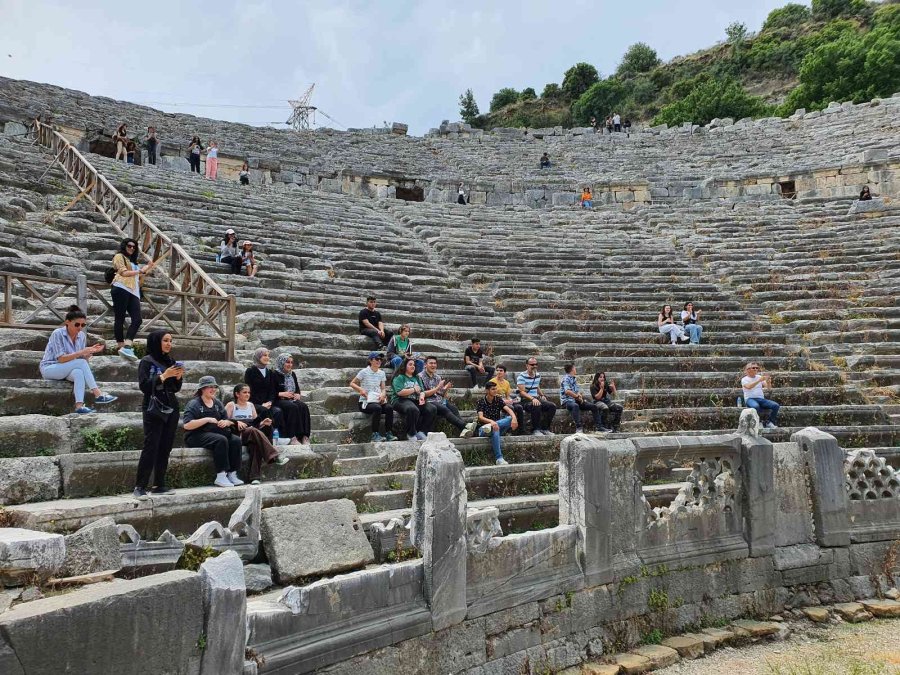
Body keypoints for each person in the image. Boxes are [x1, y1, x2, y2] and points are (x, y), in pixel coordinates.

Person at [40, 305, 118, 414]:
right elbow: (61, 359)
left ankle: (79, 406)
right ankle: (98, 394)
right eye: (77, 324)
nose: (80, 327)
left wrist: (88, 353)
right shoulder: (57, 333)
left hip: (68, 368)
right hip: (50, 368)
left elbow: (81, 361)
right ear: (67, 322)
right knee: (79, 364)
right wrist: (82, 352)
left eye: (83, 325)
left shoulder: (81, 336)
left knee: (78, 373)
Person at [133, 330, 184, 499]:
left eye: (170, 340)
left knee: (166, 446)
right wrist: (163, 376)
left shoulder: (171, 361)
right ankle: (140, 486)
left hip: (171, 405)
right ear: (156, 342)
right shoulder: (146, 361)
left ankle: (159, 484)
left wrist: (177, 377)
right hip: (154, 407)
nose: (169, 343)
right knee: (151, 446)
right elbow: (145, 386)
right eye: (165, 340)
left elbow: (176, 389)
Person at [182, 376, 244, 487]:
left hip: (215, 432)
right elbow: (187, 425)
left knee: (235, 440)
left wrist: (226, 422)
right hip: (195, 435)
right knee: (221, 440)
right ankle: (221, 475)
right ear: (202, 389)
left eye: (214, 387)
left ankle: (232, 474)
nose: (213, 389)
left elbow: (227, 419)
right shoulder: (194, 404)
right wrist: (207, 419)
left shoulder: (217, 403)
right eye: (209, 387)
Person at [226, 384, 288, 484]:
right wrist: (236, 422)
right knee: (253, 432)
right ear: (237, 394)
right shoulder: (231, 405)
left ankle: (254, 478)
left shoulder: (251, 405)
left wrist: (263, 423)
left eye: (249, 392)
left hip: (251, 432)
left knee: (256, 444)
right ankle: (274, 456)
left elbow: (255, 424)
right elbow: (225, 421)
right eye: (244, 392)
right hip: (237, 434)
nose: (247, 394)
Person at [110, 238, 148, 361]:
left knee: (137, 320)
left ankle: (127, 346)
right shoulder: (119, 256)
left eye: (134, 247)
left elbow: (138, 280)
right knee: (120, 317)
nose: (131, 248)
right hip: (121, 287)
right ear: (124, 246)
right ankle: (121, 346)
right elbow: (123, 273)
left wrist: (144, 271)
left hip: (134, 291)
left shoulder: (134, 262)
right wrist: (139, 271)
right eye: (129, 246)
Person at [350, 352, 397, 442]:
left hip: (377, 400)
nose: (379, 361)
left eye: (380, 359)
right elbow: (352, 383)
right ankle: (374, 434)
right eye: (377, 359)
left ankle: (389, 433)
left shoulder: (382, 373)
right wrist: (360, 389)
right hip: (365, 402)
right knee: (377, 408)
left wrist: (383, 394)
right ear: (370, 360)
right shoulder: (364, 372)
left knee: (389, 408)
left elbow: (383, 388)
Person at [390, 357, 436, 441]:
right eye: (410, 364)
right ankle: (411, 433)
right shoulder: (399, 377)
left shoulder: (417, 377)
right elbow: (399, 392)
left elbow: (422, 391)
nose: (413, 366)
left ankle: (422, 432)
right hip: (399, 400)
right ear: (404, 366)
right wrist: (413, 389)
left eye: (414, 365)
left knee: (432, 408)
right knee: (413, 409)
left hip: (414, 399)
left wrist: (421, 397)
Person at [243, 348, 285, 436]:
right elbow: (249, 390)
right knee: (263, 410)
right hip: (254, 403)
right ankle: (264, 435)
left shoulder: (270, 372)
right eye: (264, 355)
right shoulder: (250, 371)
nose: (267, 357)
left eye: (268, 356)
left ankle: (274, 435)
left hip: (267, 403)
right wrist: (261, 404)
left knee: (277, 411)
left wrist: (270, 402)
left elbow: (272, 390)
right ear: (258, 357)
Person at [420, 356, 466, 435]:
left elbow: (441, 394)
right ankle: (465, 426)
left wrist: (447, 389)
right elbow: (423, 393)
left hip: (439, 400)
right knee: (444, 409)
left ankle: (464, 431)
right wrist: (438, 387)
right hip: (428, 401)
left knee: (454, 408)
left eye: (435, 363)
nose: (433, 365)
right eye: (431, 363)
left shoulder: (437, 377)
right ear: (425, 365)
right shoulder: (420, 376)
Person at [273, 353, 312, 445]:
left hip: (291, 399)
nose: (290, 364)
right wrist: (281, 393)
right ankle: (292, 436)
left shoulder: (292, 374)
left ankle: (304, 436)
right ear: (281, 362)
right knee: (292, 407)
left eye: (291, 362)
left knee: (303, 406)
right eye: (287, 362)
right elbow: (270, 391)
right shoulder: (274, 374)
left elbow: (297, 389)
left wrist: (297, 394)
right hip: (279, 400)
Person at [475, 381, 517, 465]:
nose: (495, 390)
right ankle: (499, 458)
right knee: (495, 427)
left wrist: (514, 418)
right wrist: (491, 422)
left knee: (509, 419)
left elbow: (508, 410)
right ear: (487, 391)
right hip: (483, 429)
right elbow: (480, 417)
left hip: (496, 427)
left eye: (496, 388)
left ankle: (499, 459)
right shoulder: (481, 402)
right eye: (493, 389)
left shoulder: (498, 400)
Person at [516, 357, 557, 436]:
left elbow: (536, 386)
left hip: (535, 398)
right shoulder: (521, 376)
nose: (534, 366)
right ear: (527, 366)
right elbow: (522, 392)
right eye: (532, 364)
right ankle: (536, 429)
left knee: (552, 406)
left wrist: (542, 395)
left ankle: (545, 428)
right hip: (525, 400)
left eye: (536, 364)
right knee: (536, 405)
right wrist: (532, 399)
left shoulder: (537, 375)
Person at [560, 364, 604, 434]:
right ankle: (579, 428)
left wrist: (579, 396)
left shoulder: (573, 378)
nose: (575, 369)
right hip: (567, 401)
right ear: (572, 370)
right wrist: (577, 397)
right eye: (575, 368)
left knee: (594, 406)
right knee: (575, 406)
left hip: (575, 400)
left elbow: (577, 391)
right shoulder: (566, 379)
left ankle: (599, 427)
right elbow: (567, 391)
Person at [741, 363, 780, 429]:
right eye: (753, 368)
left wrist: (768, 382)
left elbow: (768, 388)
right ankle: (758, 422)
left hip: (760, 399)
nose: (756, 369)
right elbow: (749, 386)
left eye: (757, 368)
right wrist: (758, 380)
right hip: (750, 399)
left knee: (775, 405)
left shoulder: (759, 377)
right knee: (756, 406)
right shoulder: (744, 379)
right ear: (748, 370)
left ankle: (769, 422)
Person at [489, 364, 525, 433]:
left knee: (519, 407)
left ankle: (521, 429)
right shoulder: (492, 382)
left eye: (501, 370)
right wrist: (504, 401)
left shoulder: (506, 383)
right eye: (497, 370)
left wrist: (510, 400)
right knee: (510, 408)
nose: (499, 372)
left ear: (504, 373)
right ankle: (509, 430)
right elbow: (491, 395)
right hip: (496, 401)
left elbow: (507, 395)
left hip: (505, 401)